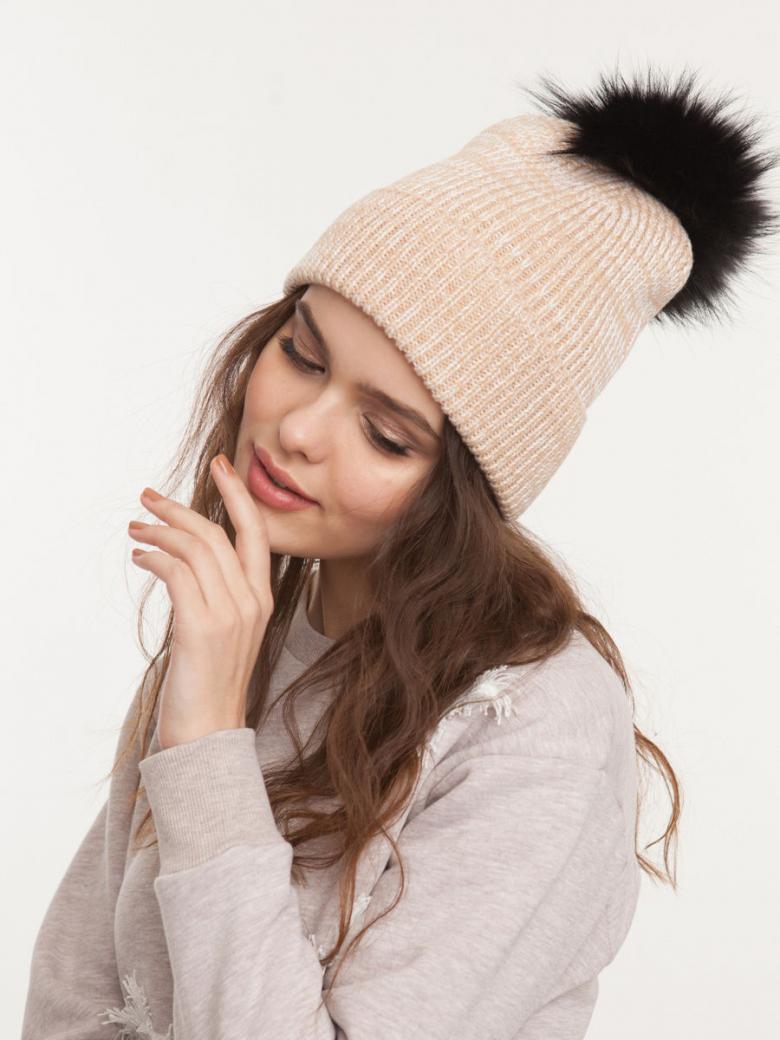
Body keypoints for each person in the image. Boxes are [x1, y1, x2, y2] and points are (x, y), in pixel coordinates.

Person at [21, 63, 779, 1039]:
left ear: (464, 488)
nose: (298, 429)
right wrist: (205, 699)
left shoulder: (537, 725)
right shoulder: (245, 620)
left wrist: (207, 740)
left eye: (385, 434)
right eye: (302, 353)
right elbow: (80, 988)